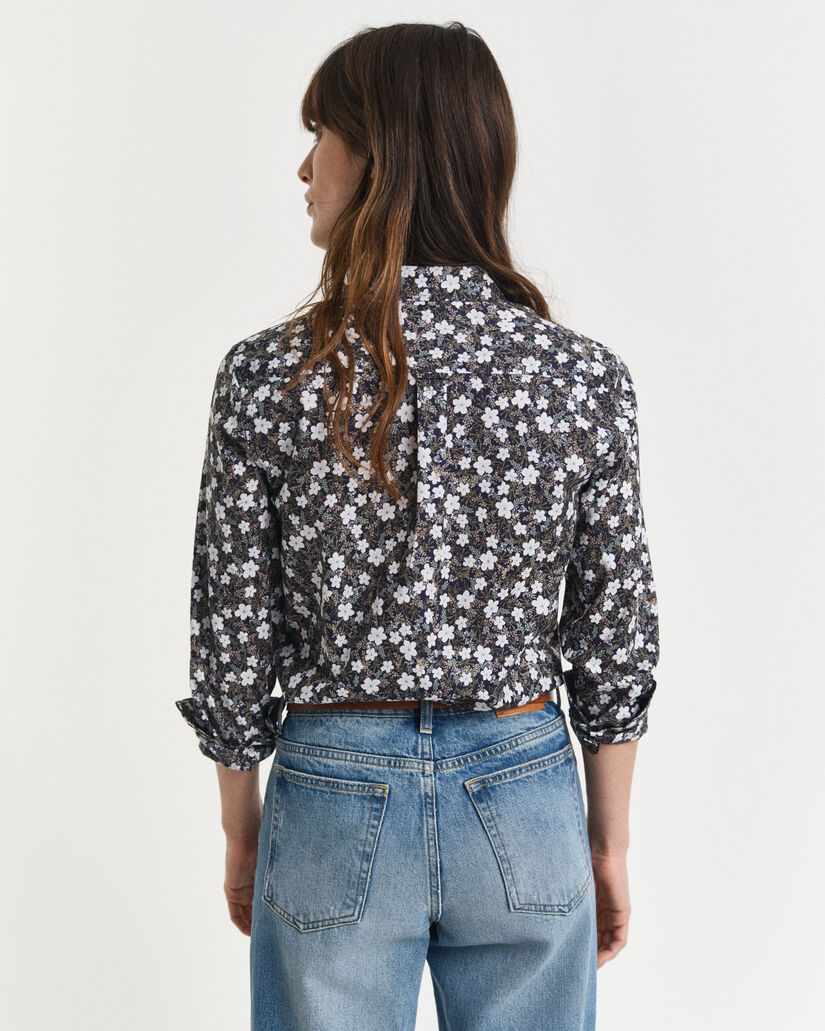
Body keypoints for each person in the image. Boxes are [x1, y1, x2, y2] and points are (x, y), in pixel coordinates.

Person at [175, 20, 660, 1031]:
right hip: (523, 790)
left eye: (321, 135)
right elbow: (614, 638)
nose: (304, 168)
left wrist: (242, 828)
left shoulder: (268, 377)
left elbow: (232, 638)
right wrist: (606, 841)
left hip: (331, 791)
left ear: (380, 153)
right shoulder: (581, 379)